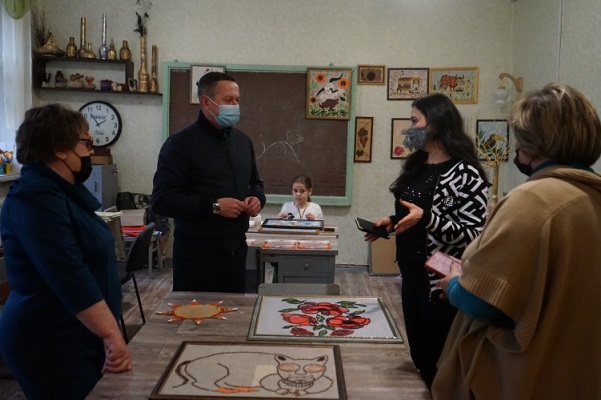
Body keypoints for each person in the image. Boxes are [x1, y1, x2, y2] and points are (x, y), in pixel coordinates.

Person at [434, 83, 601, 399]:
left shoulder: (533, 200)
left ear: (533, 143)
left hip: (527, 374)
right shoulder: (591, 195)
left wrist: (454, 282)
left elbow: (480, 301)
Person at [0, 104, 132, 399]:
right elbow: (69, 274)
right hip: (49, 340)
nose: (90, 152)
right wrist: (111, 333)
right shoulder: (34, 197)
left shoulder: (62, 192)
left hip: (80, 334)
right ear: (60, 149)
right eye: (86, 143)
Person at [364, 93, 489, 389]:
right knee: (419, 350)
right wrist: (392, 222)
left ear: (436, 123)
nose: (410, 129)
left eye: (414, 121)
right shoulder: (417, 164)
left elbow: (474, 234)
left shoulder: (467, 173)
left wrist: (427, 219)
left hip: (441, 280)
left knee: (439, 354)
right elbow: (415, 214)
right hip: (409, 272)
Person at [151, 71, 265, 293]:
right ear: (206, 102)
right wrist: (213, 206)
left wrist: (257, 198)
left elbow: (255, 183)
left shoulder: (243, 142)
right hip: (196, 255)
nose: (235, 106)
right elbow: (162, 200)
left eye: (237, 100)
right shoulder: (180, 144)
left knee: (234, 312)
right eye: (228, 100)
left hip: (236, 251)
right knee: (195, 313)